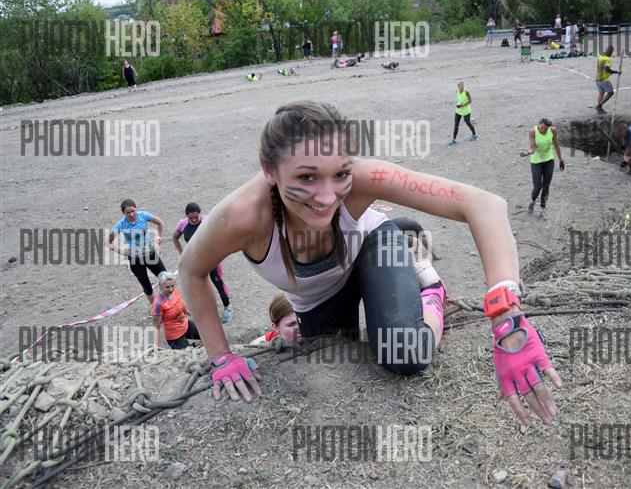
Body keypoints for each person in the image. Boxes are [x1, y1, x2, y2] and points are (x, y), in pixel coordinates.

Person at [178, 101, 563, 425]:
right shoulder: (243, 215)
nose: (327, 196)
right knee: (333, 359)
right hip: (316, 298)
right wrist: (221, 357)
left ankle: (431, 290)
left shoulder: (362, 180)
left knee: (404, 355)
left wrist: (506, 317)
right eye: (307, 177)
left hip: (372, 246)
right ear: (269, 171)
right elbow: (191, 270)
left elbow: (484, 204)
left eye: (340, 174)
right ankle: (405, 241)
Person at [173, 202, 233, 324]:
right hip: (195, 260)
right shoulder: (183, 224)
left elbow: (220, 237)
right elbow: (175, 237)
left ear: (200, 214)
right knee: (197, 284)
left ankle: (228, 307)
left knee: (218, 282)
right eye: (191, 218)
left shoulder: (208, 221)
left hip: (212, 259)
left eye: (196, 217)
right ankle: (203, 310)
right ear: (186, 216)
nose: (194, 220)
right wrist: (182, 252)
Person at [108, 199, 167, 304]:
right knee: (147, 286)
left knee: (165, 278)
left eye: (133, 211)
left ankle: (169, 304)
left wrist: (157, 239)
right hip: (135, 260)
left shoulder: (143, 215)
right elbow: (108, 241)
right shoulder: (121, 224)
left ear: (136, 209)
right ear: (123, 213)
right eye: (128, 213)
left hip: (150, 254)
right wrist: (121, 251)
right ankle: (156, 309)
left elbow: (160, 223)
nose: (131, 214)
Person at [519, 118, 565, 220]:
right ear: (539, 124)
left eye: (546, 128)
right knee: (537, 187)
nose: (544, 130)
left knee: (546, 186)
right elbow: (532, 148)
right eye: (542, 127)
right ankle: (532, 202)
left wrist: (561, 160)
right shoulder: (533, 131)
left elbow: (556, 145)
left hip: (549, 160)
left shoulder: (553, 130)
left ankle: (542, 210)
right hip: (536, 161)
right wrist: (526, 153)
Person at [151, 272, 201, 349]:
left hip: (186, 325)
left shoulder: (174, 291)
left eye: (172, 286)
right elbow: (156, 327)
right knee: (188, 354)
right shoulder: (158, 304)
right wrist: (156, 347)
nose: (171, 289)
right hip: (175, 336)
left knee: (206, 334)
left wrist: (189, 312)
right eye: (167, 287)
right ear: (160, 285)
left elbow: (180, 301)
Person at [595, 45, 621, 114]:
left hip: (597, 78)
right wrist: (616, 72)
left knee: (601, 92)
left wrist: (609, 72)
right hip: (604, 80)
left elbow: (603, 67)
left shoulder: (600, 56)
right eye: (611, 52)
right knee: (610, 93)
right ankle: (599, 106)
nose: (611, 54)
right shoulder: (606, 59)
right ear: (610, 52)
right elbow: (607, 69)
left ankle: (599, 109)